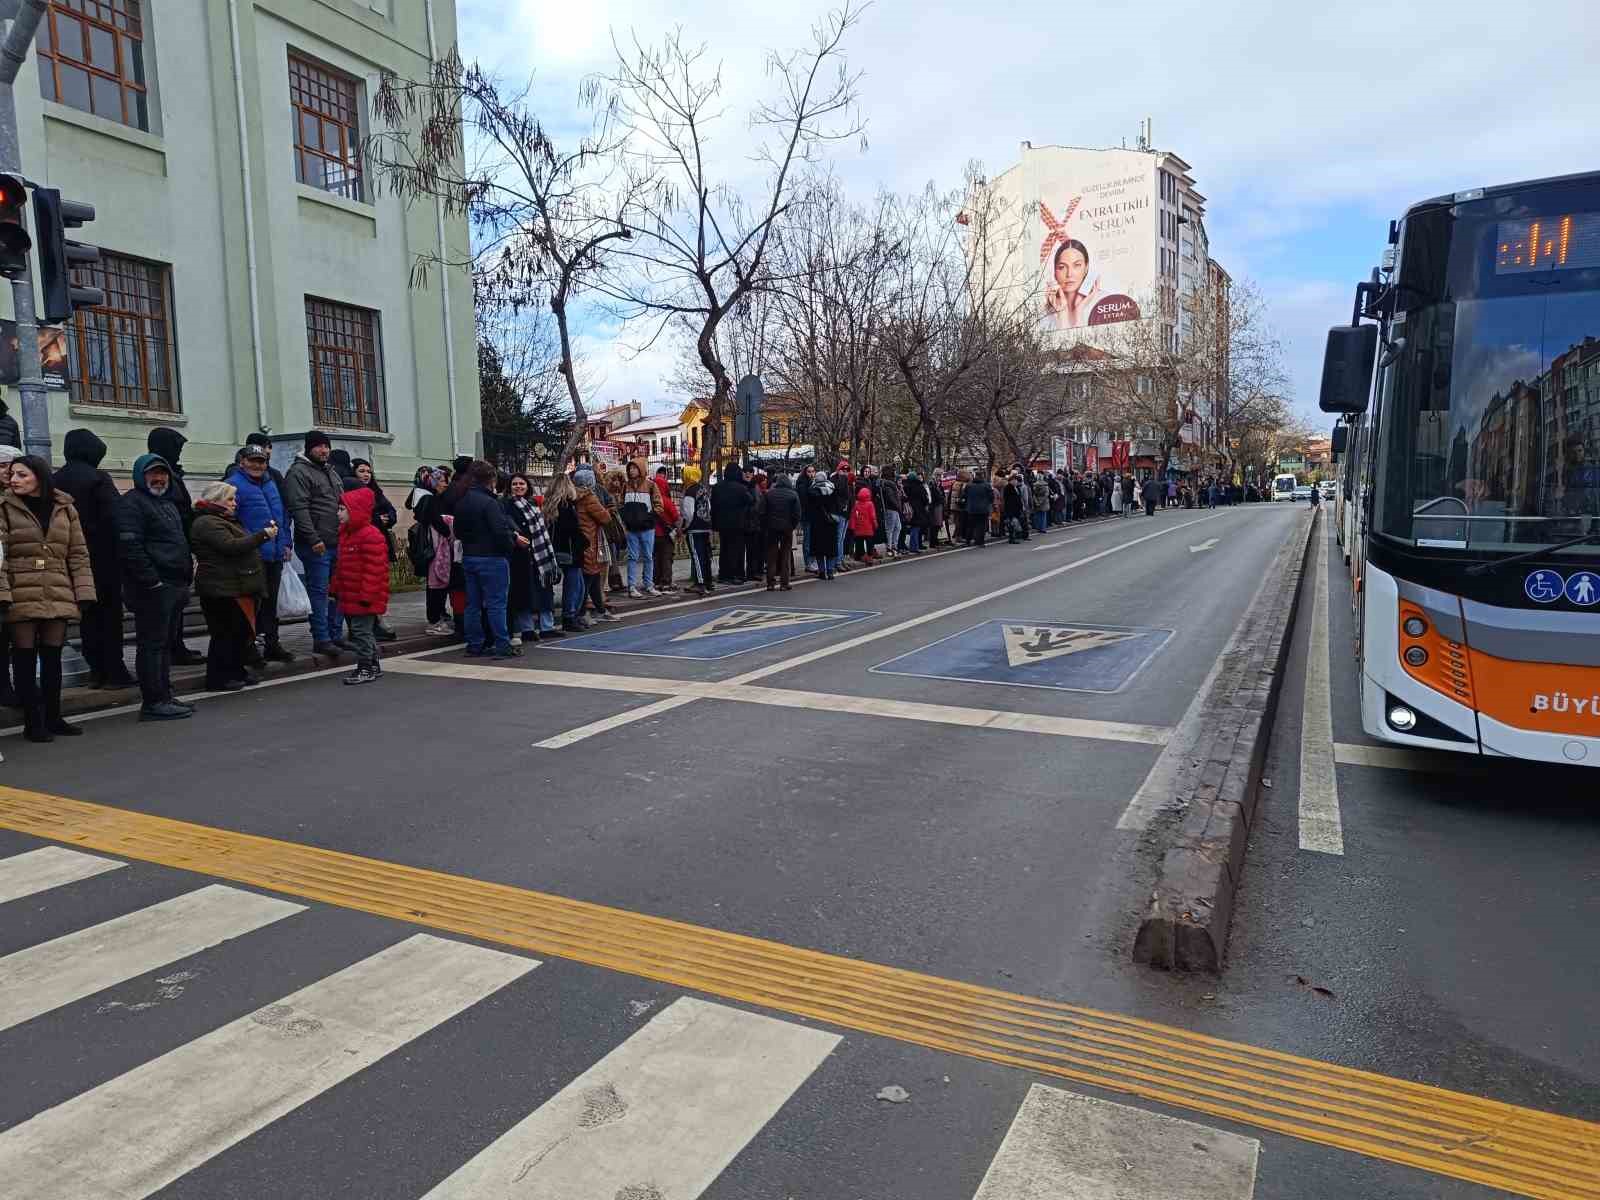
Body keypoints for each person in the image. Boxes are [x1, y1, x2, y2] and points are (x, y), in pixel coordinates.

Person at [0, 455, 95, 741]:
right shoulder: (3, 507)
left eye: (21, 475)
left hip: (57, 586)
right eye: (12, 474)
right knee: (25, 657)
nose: (13, 479)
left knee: (52, 656)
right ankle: (33, 722)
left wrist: (84, 591)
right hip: (20, 589)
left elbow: (78, 553)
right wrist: (3, 592)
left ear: (39, 477)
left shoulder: (65, 508)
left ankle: (54, 717)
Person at [117, 452, 195, 722]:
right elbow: (130, 546)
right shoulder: (132, 504)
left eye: (163, 474)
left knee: (164, 645)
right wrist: (152, 580)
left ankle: (165, 695)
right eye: (153, 474)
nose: (159, 479)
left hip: (174, 584)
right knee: (152, 645)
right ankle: (153, 702)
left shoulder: (167, 503)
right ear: (140, 476)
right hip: (152, 589)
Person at [54, 429, 132, 688]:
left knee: (88, 617)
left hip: (69, 559)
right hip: (102, 558)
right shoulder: (98, 479)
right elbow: (115, 518)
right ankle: (114, 671)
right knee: (109, 617)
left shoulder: (55, 480)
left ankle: (96, 670)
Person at [189, 481, 273, 692]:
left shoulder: (223, 519)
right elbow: (231, 546)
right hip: (221, 588)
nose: (235, 503)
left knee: (239, 633)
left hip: (234, 585)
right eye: (230, 499)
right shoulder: (207, 522)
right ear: (216, 500)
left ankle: (236, 671)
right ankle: (218, 677)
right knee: (225, 635)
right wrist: (263, 535)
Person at [224, 444, 294, 664]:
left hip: (274, 554)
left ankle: (272, 644)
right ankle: (249, 648)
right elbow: (228, 519)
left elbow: (281, 516)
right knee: (251, 605)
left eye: (261, 461)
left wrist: (285, 543)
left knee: (270, 604)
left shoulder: (271, 483)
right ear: (242, 462)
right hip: (251, 555)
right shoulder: (232, 485)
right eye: (252, 460)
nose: (257, 465)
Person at [283, 431, 348, 657]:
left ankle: (335, 634)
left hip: (337, 540)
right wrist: (314, 539)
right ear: (309, 448)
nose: (324, 450)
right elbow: (299, 510)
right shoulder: (298, 473)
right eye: (319, 447)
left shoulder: (330, 471)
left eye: (326, 446)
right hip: (316, 544)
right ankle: (321, 637)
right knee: (319, 592)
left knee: (337, 590)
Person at [147, 426, 202, 665]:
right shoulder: (161, 479)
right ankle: (172, 647)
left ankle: (176, 645)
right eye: (176, 448)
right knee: (170, 605)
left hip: (178, 546)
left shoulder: (173, 475)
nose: (179, 453)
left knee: (178, 604)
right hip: (168, 551)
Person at [452, 459, 517, 657]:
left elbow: (458, 530)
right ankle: (502, 644)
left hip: (470, 556)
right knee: (496, 603)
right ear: (491, 479)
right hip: (492, 557)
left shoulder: (463, 500)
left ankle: (474, 644)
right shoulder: (490, 502)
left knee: (473, 604)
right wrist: (509, 546)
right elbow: (500, 532)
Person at [330, 487, 391, 683]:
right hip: (350, 594)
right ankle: (373, 664)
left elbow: (375, 569)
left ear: (355, 511)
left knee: (360, 633)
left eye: (342, 509)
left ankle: (365, 668)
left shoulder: (370, 535)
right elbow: (341, 567)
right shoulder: (346, 534)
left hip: (364, 597)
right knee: (362, 632)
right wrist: (335, 588)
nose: (338, 513)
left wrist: (367, 596)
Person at [503, 472, 559, 643]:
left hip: (540, 556)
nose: (518, 487)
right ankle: (527, 629)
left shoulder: (533, 503)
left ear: (527, 486)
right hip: (521, 556)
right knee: (524, 593)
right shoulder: (506, 505)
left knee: (544, 591)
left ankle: (547, 627)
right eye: (515, 484)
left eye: (522, 484)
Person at [352, 459, 399, 642]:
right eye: (361, 471)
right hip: (364, 545)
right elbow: (362, 517)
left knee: (380, 585)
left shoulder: (376, 492)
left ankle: (378, 619)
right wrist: (379, 519)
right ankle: (371, 623)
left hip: (379, 543)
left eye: (368, 471)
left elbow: (391, 511)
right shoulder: (353, 491)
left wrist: (389, 519)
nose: (366, 474)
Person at [543, 473, 591, 633]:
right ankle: (570, 617)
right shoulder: (567, 507)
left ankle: (572, 616)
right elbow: (573, 531)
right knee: (575, 586)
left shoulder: (549, 506)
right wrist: (585, 542)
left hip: (556, 549)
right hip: (571, 551)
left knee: (575, 585)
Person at [570, 466, 619, 622]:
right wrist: (609, 510)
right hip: (591, 541)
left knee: (593, 577)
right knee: (589, 578)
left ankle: (600, 609)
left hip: (581, 540)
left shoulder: (573, 497)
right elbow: (605, 517)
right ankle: (582, 613)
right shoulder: (589, 498)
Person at [620, 459, 663, 598]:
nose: (632, 470)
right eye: (630, 468)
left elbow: (658, 505)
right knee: (632, 557)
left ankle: (648, 584)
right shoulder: (625, 486)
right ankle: (632, 586)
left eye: (634, 468)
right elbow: (621, 504)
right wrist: (625, 519)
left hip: (647, 528)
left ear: (641, 469)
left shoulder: (651, 485)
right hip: (631, 528)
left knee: (648, 557)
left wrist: (649, 518)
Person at [1042, 238, 1101, 330]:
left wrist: (1079, 309)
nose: (1069, 274)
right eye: (1062, 267)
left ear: (1086, 268)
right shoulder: (1040, 316)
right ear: (1054, 272)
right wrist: (1062, 314)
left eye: (1077, 265)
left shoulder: (1106, 302)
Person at [711, 463, 752, 583]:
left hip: (722, 524)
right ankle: (735, 574)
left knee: (724, 549)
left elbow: (713, 506)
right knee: (736, 550)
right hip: (737, 524)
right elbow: (750, 500)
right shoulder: (740, 488)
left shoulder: (717, 487)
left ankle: (723, 574)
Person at [680, 465, 715, 596]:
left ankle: (700, 583)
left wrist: (685, 526)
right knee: (705, 555)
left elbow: (688, 513)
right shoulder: (703, 490)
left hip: (694, 527)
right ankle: (708, 581)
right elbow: (709, 507)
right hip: (705, 525)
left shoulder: (690, 491)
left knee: (696, 555)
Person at [763, 471, 801, 590]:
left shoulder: (769, 494)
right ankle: (784, 583)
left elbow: (762, 511)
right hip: (787, 528)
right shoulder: (793, 494)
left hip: (772, 527)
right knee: (785, 554)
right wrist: (792, 525)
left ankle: (770, 583)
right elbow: (797, 514)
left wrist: (766, 524)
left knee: (771, 555)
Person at [805, 469, 838, 579]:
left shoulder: (811, 491)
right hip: (830, 523)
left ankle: (822, 572)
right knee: (830, 549)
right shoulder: (832, 489)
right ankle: (830, 571)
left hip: (817, 523)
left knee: (819, 550)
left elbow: (809, 508)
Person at [652, 467, 680, 594]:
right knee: (667, 558)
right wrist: (678, 530)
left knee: (656, 558)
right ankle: (666, 582)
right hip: (666, 535)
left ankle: (656, 581)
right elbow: (676, 517)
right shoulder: (667, 501)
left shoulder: (651, 500)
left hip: (653, 534)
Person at [848, 484, 877, 562]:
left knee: (859, 543)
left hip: (859, 528)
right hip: (868, 528)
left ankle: (860, 555)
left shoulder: (856, 504)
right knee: (869, 543)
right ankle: (870, 556)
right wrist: (875, 525)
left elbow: (853, 516)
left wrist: (852, 527)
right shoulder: (870, 504)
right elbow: (872, 516)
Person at [902, 470, 929, 553]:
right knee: (916, 528)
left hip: (908, 509)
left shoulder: (905, 486)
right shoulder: (919, 486)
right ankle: (914, 546)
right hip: (919, 509)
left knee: (912, 527)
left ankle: (912, 545)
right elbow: (925, 499)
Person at [880, 469, 904, 556]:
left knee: (898, 527)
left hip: (895, 509)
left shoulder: (890, 484)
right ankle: (889, 547)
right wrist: (898, 506)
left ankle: (894, 546)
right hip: (891, 509)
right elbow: (891, 498)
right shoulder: (888, 485)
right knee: (890, 529)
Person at [1002, 472, 1026, 543]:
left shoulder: (1017, 488)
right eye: (1014, 480)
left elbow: (1019, 498)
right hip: (1010, 508)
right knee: (1012, 524)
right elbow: (1007, 499)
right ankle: (1011, 538)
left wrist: (1021, 506)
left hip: (1017, 508)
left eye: (1016, 480)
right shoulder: (1007, 488)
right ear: (1010, 481)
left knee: (1016, 523)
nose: (1016, 482)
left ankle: (1015, 537)